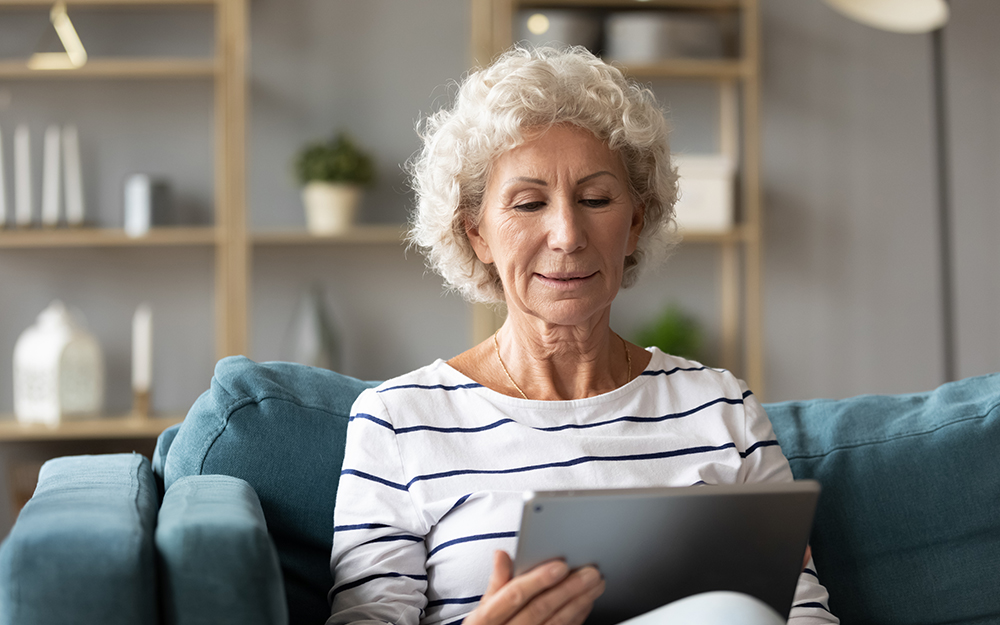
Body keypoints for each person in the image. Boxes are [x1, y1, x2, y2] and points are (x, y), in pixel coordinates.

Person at [327, 46, 838, 625]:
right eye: (528, 203)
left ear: (635, 224)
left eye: (596, 199)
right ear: (477, 235)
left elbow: (805, 615)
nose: (567, 234)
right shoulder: (398, 421)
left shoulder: (724, 409)